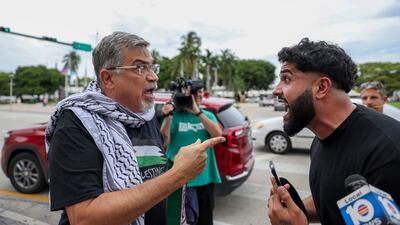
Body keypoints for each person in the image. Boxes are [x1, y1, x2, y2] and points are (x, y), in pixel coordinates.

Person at [45, 31, 225, 225]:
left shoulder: (144, 114)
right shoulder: (76, 123)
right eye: (140, 68)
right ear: (108, 78)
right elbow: (85, 218)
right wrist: (178, 174)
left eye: (152, 67)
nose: (154, 76)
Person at [267, 38, 400, 225]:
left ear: (321, 87)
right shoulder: (320, 140)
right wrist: (295, 211)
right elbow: (334, 203)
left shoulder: (387, 154)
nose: (276, 90)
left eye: (287, 79)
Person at [161, 87, 223, 225]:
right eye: (194, 95)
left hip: (205, 178)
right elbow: (165, 140)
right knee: (184, 221)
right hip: (181, 179)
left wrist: (197, 112)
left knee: (205, 220)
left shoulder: (207, 115)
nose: (198, 95)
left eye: (200, 93)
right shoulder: (175, 116)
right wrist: (168, 116)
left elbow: (218, 134)